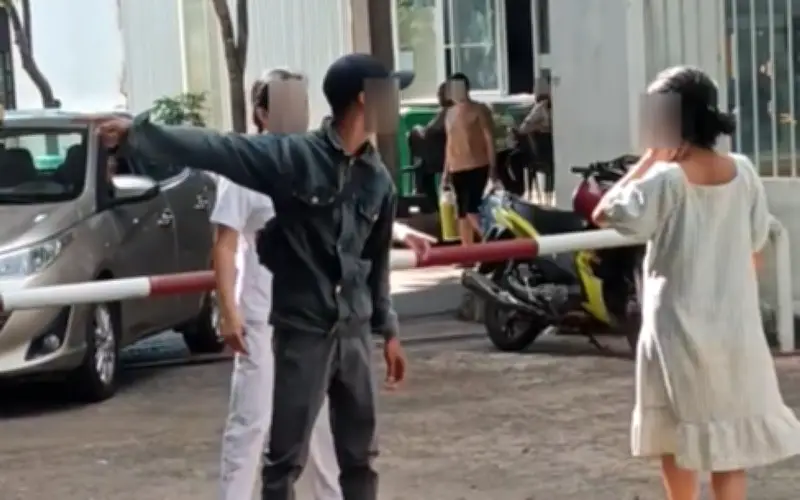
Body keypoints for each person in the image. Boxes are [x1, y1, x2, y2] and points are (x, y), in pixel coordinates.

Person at [93, 52, 412, 500]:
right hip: (303, 331)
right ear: (363, 99)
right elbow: (219, 148)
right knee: (283, 458)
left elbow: (375, 266)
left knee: (360, 457)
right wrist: (139, 134)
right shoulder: (295, 158)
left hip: (354, 332)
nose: (397, 102)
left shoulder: (378, 180)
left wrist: (389, 331)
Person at [592, 65, 800, 500]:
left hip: (677, 325)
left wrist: (649, 158)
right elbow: (755, 242)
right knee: (730, 444)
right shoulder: (743, 171)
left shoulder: (665, 179)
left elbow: (606, 211)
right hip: (734, 326)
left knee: (674, 433)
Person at [213, 69, 341, 500]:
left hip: (311, 314)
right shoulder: (243, 168)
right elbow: (224, 245)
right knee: (251, 420)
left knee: (318, 421)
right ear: (262, 114)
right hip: (261, 316)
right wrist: (228, 311)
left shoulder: (317, 160)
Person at [440, 72, 496, 248]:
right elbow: (449, 143)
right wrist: (445, 172)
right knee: (462, 213)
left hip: (477, 165)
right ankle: (467, 252)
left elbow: (489, 139)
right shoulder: (449, 113)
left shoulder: (479, 110)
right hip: (456, 168)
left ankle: (493, 242)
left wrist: (493, 167)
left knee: (472, 209)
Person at [518, 79, 554, 204]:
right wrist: (540, 127)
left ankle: (549, 194)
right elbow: (523, 128)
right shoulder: (541, 107)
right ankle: (547, 195)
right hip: (545, 151)